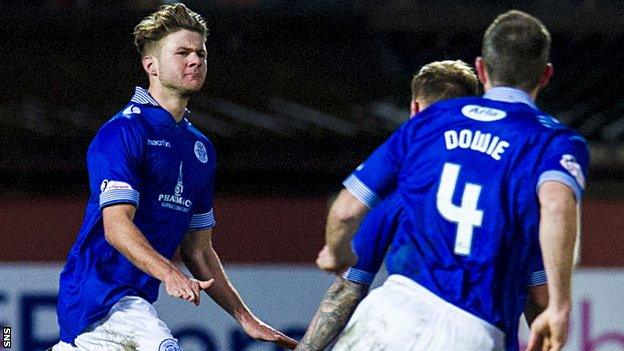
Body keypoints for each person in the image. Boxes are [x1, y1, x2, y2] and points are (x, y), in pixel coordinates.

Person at [317, 10, 588, 351]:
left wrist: (335, 252)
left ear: (481, 68)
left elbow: (345, 211)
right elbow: (556, 205)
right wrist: (560, 308)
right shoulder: (553, 142)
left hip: (389, 313)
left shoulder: (432, 120)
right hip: (472, 331)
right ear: (546, 75)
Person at [51, 4, 297, 350]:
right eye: (182, 52)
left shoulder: (201, 148)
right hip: (97, 299)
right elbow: (116, 226)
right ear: (150, 65)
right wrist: (169, 273)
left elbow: (198, 248)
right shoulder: (123, 131)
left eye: (201, 53)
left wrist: (246, 318)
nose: (195, 60)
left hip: (133, 303)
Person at [297, 60, 548, 351]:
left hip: (395, 322)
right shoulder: (514, 181)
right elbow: (540, 298)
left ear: (415, 108)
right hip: (480, 336)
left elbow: (349, 285)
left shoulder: (403, 176)